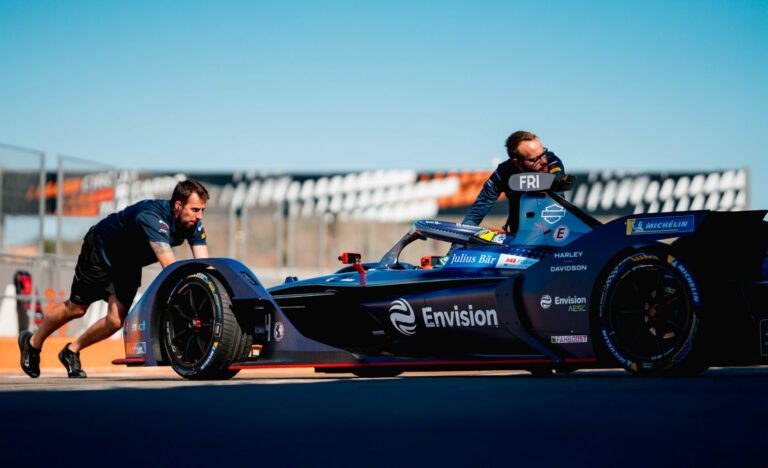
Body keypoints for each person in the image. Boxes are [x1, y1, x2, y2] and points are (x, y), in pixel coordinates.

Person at [18, 179, 210, 378]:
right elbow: (170, 268)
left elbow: (204, 265)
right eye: (195, 209)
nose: (199, 216)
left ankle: (71, 351)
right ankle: (32, 343)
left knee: (115, 321)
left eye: (202, 210)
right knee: (76, 309)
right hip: (100, 251)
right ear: (178, 206)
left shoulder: (194, 225)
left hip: (128, 264)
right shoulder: (152, 217)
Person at [444, 131, 565, 260]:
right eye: (535, 159)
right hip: (519, 244)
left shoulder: (551, 160)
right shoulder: (503, 173)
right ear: (517, 163)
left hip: (557, 239)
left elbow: (557, 179)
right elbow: (474, 216)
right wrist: (452, 256)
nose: (544, 161)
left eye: (543, 153)